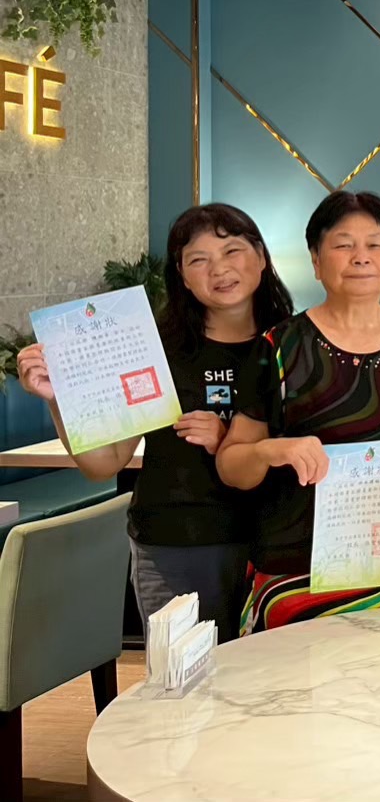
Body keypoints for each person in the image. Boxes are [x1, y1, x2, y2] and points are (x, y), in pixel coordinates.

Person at [16, 204, 293, 641]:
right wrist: (59, 400)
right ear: (182, 275)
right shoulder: (154, 349)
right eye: (198, 259)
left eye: (232, 251)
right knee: (184, 680)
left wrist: (231, 442)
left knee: (272, 677)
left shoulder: (294, 345)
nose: (219, 269)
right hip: (176, 544)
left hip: (275, 545)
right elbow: (104, 463)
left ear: (260, 257)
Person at [218, 190, 380, 633]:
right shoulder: (278, 346)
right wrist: (271, 450)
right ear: (316, 260)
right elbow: (232, 464)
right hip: (298, 571)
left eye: (375, 244)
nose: (361, 257)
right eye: (343, 244)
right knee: (294, 676)